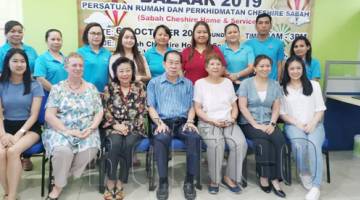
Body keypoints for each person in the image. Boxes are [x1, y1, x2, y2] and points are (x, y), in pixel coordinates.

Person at [42, 53, 103, 200]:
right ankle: (58, 187)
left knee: (91, 150)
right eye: (74, 65)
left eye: (80, 65)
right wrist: (68, 131)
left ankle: (61, 175)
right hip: (61, 129)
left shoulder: (91, 88)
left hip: (86, 130)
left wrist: (91, 128)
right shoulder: (57, 88)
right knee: (63, 151)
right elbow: (49, 115)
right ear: (66, 67)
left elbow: (99, 111)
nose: (78, 68)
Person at [147, 50, 201, 200]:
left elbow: (192, 106)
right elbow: (151, 106)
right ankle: (163, 181)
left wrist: (190, 121)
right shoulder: (154, 83)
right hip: (162, 122)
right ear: (164, 64)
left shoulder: (188, 83)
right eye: (170, 62)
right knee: (161, 138)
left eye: (177, 62)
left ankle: (189, 181)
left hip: (183, 122)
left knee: (194, 138)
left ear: (181, 65)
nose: (173, 65)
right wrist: (159, 123)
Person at [194, 54, 247, 194]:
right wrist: (212, 120)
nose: (215, 67)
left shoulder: (227, 83)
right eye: (212, 64)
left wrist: (233, 118)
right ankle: (214, 180)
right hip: (207, 122)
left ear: (223, 67)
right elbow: (197, 109)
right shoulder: (200, 83)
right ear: (206, 67)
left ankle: (229, 177)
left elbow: (234, 106)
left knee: (240, 143)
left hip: (228, 121)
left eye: (218, 64)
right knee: (217, 144)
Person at [238, 55, 287, 198]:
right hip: (248, 123)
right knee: (264, 140)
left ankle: (276, 178)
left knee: (279, 141)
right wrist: (255, 124)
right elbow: (242, 107)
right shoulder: (246, 84)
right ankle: (265, 177)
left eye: (268, 66)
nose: (265, 69)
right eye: (261, 66)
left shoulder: (275, 85)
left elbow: (277, 108)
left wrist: (272, 123)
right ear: (254, 68)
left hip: (268, 121)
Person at [280, 56, 326, 200]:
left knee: (313, 146)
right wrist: (297, 123)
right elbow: (282, 113)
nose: (295, 71)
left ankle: (316, 186)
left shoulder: (314, 85)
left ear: (303, 69)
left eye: (298, 68)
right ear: (287, 70)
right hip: (293, 125)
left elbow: (320, 109)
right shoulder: (282, 88)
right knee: (300, 144)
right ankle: (304, 172)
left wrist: (312, 123)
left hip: (315, 124)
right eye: (292, 68)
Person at [0, 48, 43, 200]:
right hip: (5, 126)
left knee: (12, 151)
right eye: (15, 61)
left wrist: (19, 134)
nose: (19, 64)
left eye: (22, 61)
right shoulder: (1, 83)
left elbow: (34, 115)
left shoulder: (34, 84)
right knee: (0, 153)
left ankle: (11, 196)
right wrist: (3, 134)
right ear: (7, 63)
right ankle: (8, 192)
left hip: (29, 128)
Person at [102, 57, 147, 200]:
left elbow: (142, 112)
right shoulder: (109, 87)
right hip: (113, 126)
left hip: (134, 127)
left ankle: (120, 182)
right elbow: (105, 110)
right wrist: (115, 125)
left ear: (132, 71)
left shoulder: (140, 87)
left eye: (128, 70)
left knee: (127, 144)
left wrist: (127, 127)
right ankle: (110, 181)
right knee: (115, 144)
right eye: (121, 71)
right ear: (115, 72)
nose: (125, 74)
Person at [244, 13, 285, 81]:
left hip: (272, 83)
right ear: (256, 26)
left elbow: (279, 65)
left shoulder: (278, 43)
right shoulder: (247, 44)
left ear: (271, 25)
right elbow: (246, 66)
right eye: (260, 23)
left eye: (266, 23)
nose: (263, 25)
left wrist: (278, 82)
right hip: (253, 84)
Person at [77, 22, 111, 93]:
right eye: (93, 33)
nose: (96, 36)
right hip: (85, 93)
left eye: (99, 34)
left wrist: (108, 86)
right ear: (87, 35)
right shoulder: (80, 52)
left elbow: (110, 74)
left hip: (103, 93)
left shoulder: (107, 53)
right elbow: (75, 73)